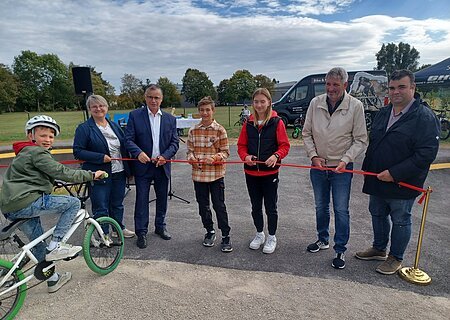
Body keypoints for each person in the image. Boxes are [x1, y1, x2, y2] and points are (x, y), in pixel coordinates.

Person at [0, 115, 106, 293]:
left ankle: (53, 280)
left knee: (38, 244)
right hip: (27, 201)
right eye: (43, 135)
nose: (48, 140)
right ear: (31, 135)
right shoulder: (37, 152)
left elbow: (33, 175)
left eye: (51, 136)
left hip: (12, 206)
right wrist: (91, 175)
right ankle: (57, 244)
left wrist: (50, 183)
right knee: (72, 203)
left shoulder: (25, 152)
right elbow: (61, 171)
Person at [355, 70, 440, 275]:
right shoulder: (384, 112)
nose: (396, 92)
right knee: (377, 213)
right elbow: (375, 143)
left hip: (402, 182)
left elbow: (426, 154)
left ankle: (396, 257)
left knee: (401, 219)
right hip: (377, 178)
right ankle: (379, 248)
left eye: (401, 87)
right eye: (392, 88)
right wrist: (368, 169)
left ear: (413, 88)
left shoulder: (424, 117)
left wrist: (394, 173)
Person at [302, 67, 368, 269]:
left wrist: (345, 159)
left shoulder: (355, 106)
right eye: (328, 84)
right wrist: (313, 156)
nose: (330, 89)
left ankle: (340, 249)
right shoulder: (316, 103)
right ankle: (323, 239)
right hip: (319, 168)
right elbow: (306, 133)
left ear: (345, 85)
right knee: (320, 207)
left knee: (341, 209)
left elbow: (361, 140)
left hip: (341, 169)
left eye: (335, 85)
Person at [125, 84, 179, 249]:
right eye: (150, 97)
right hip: (143, 166)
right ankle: (141, 232)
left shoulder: (170, 119)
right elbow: (128, 139)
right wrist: (138, 153)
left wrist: (165, 156)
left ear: (161, 99)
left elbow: (174, 142)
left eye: (157, 97)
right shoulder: (135, 116)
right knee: (142, 200)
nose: (153, 100)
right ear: (145, 98)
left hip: (162, 165)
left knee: (162, 198)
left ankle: (160, 226)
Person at [73, 94, 135, 238]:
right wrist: (100, 158)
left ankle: (118, 228)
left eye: (101, 105)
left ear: (107, 107)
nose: (98, 109)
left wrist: (129, 169)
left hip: (119, 171)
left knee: (117, 203)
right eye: (94, 106)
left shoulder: (114, 125)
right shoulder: (84, 128)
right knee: (101, 206)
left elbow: (123, 147)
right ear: (89, 109)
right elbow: (78, 151)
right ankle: (103, 234)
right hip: (99, 173)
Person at [237, 88, 290, 254]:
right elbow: (241, 146)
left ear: (269, 103)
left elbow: (284, 146)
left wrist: (276, 156)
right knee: (255, 206)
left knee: (270, 207)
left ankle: (272, 236)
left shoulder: (277, 122)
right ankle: (259, 233)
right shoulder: (248, 123)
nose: (259, 105)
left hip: (270, 174)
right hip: (251, 174)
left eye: (262, 101)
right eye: (256, 101)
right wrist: (245, 157)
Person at [186, 96, 232, 252]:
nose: (205, 113)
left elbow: (226, 152)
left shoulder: (220, 130)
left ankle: (225, 235)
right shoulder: (193, 130)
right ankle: (209, 231)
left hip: (216, 175)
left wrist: (215, 158)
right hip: (199, 176)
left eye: (207, 110)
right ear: (199, 112)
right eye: (202, 110)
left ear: (213, 111)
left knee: (219, 206)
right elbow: (189, 151)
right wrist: (191, 158)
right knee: (203, 206)